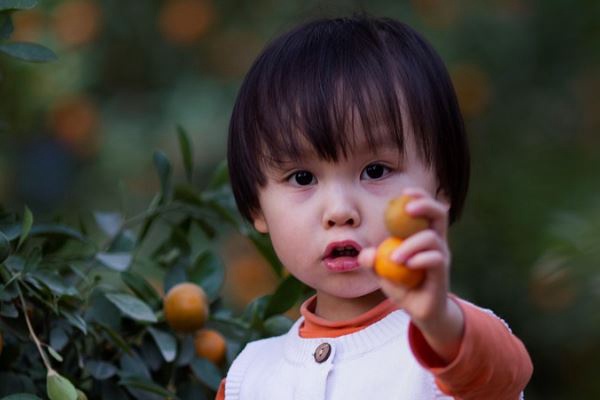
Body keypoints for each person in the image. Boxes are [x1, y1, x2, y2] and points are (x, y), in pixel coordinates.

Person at [216, 12, 533, 400]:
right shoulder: (250, 378)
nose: (339, 210)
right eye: (302, 178)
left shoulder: (452, 342)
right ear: (257, 207)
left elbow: (503, 376)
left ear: (441, 187)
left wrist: (438, 320)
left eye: (376, 170)